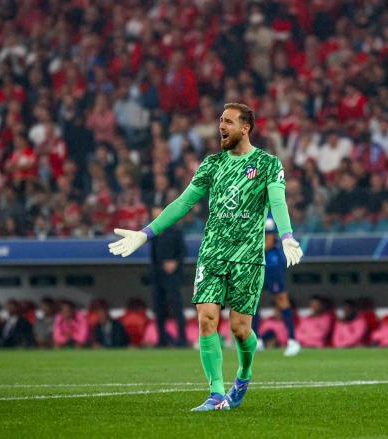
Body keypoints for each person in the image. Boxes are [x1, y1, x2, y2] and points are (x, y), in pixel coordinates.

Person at [108, 103, 303, 411]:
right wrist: (146, 233)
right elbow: (183, 203)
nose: (221, 126)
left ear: (245, 128)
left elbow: (278, 201)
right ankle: (215, 393)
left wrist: (287, 235)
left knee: (240, 330)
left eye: (227, 121)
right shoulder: (212, 165)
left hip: (247, 257)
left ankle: (244, 373)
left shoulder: (268, 163)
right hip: (212, 254)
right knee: (207, 319)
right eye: (219, 121)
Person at [254, 214, 301, 356]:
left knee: (281, 299)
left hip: (271, 263)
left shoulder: (267, 217)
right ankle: (257, 340)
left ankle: (292, 341)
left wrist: (247, 252)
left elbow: (268, 242)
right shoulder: (248, 212)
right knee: (254, 299)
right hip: (256, 263)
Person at [149, 205, 188, 347]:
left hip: (172, 276)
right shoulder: (153, 233)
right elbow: (153, 256)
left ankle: (182, 340)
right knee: (158, 309)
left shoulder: (175, 232)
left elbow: (183, 252)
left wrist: (174, 263)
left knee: (176, 307)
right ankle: (161, 340)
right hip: (158, 275)